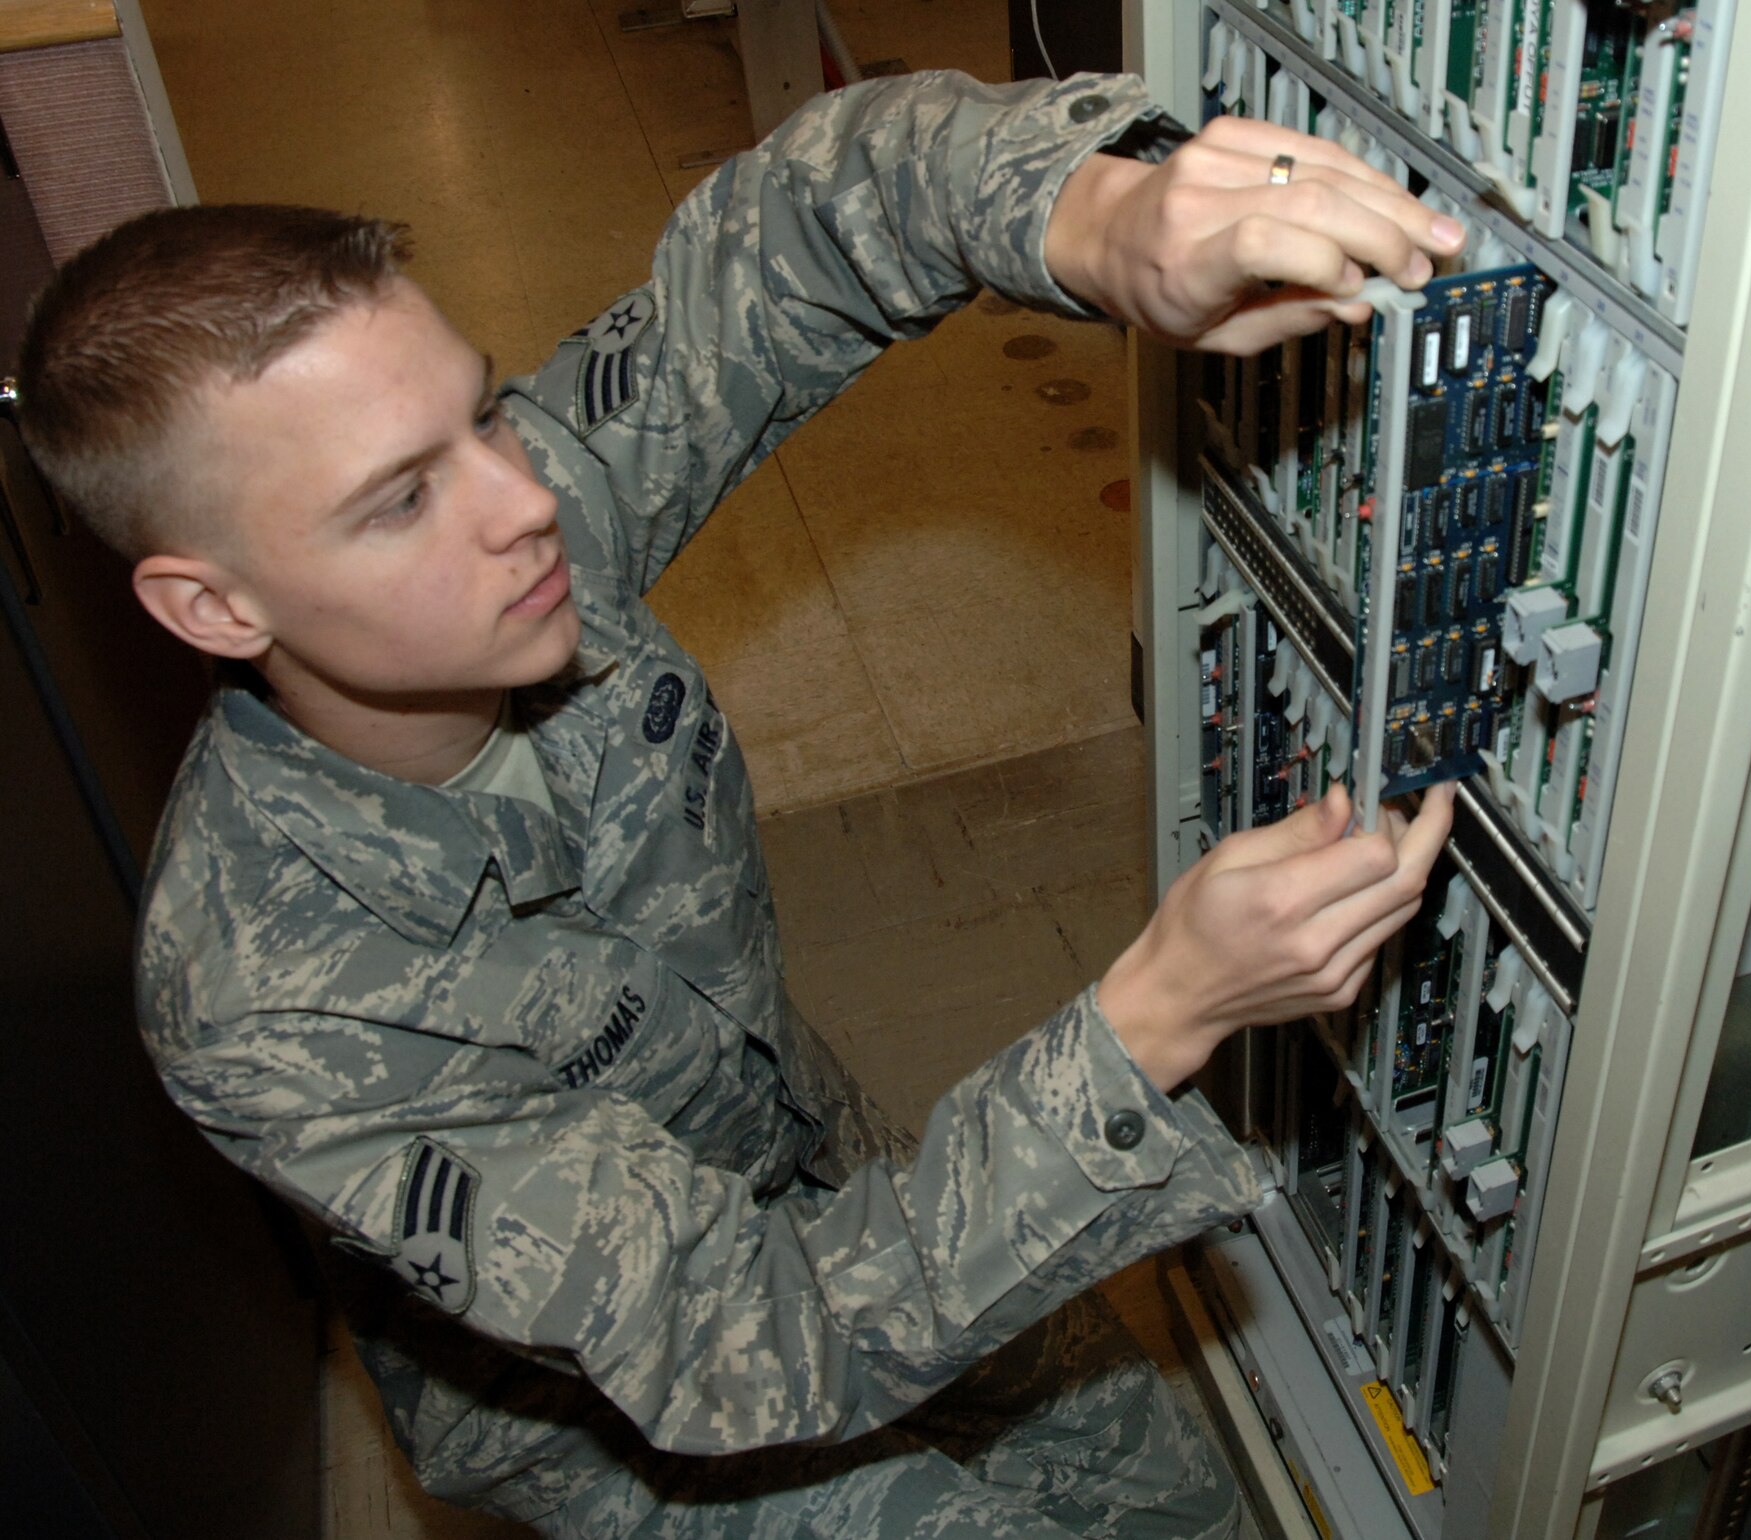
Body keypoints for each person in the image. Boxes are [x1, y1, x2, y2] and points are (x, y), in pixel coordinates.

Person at [16, 70, 1458, 1537]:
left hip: (807, 1161)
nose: (521, 506)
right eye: (399, 501)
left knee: (1161, 1485)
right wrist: (1161, 1010)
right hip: (620, 1410)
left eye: (482, 418)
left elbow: (802, 222)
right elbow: (734, 1343)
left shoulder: (525, 516)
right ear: (210, 604)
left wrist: (1101, 216)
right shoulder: (268, 1002)